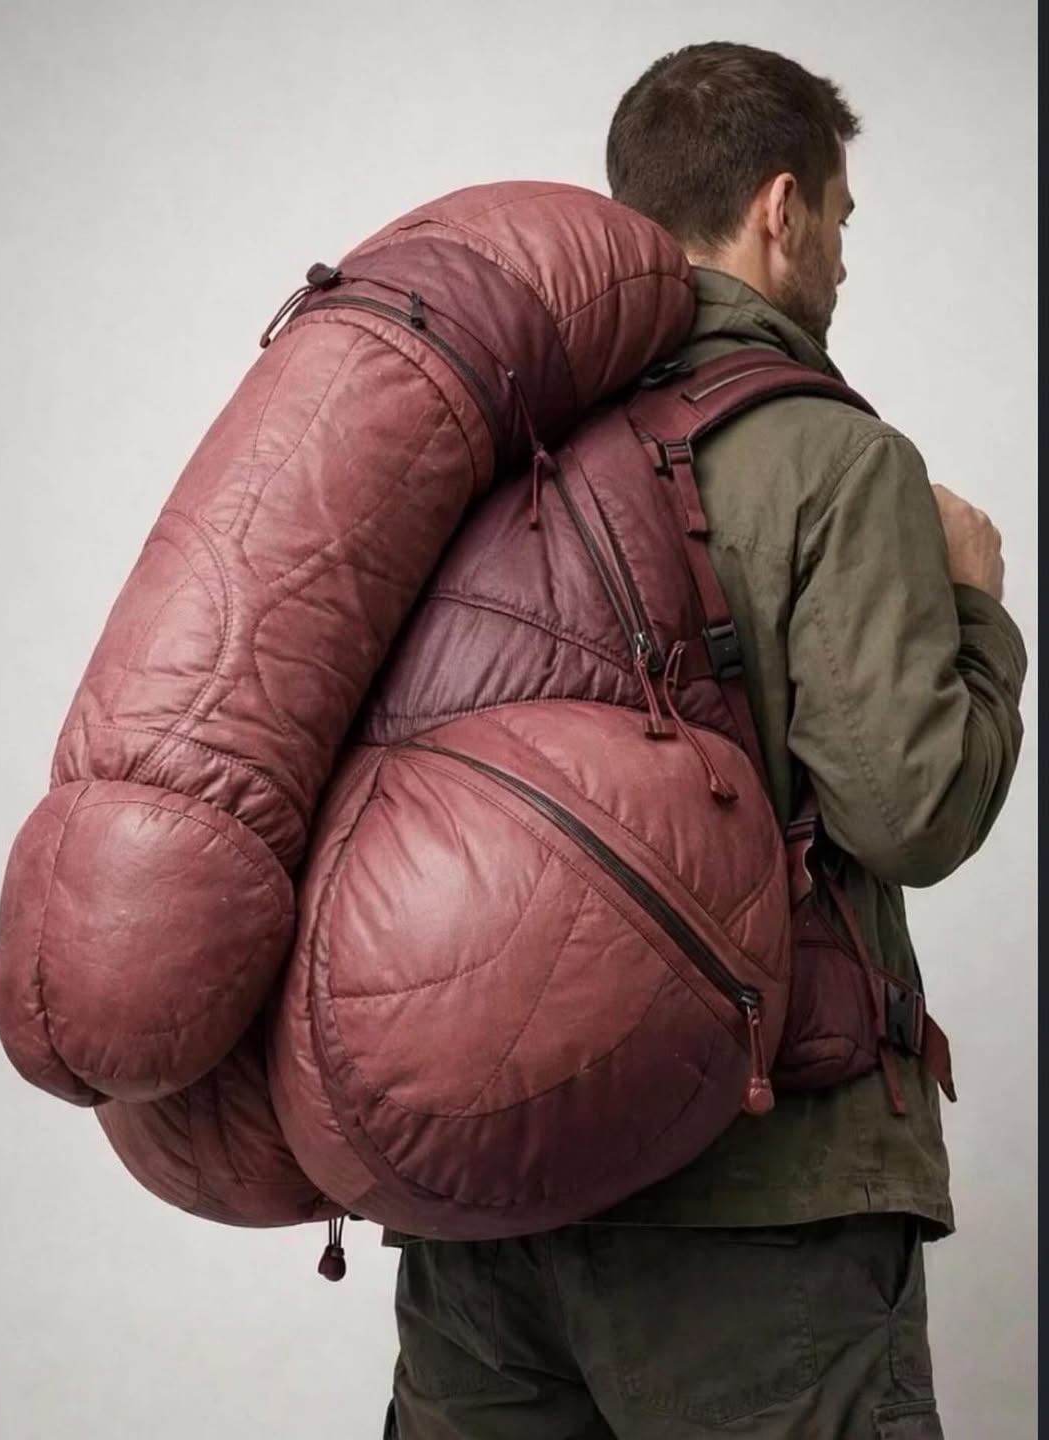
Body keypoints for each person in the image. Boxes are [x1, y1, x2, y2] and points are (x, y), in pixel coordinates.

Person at [383, 41, 1026, 1440]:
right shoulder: (833, 456)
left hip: (485, 1196)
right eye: (843, 218)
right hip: (760, 1201)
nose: (845, 257)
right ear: (782, 209)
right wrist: (979, 611)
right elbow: (912, 810)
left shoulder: (492, 441)